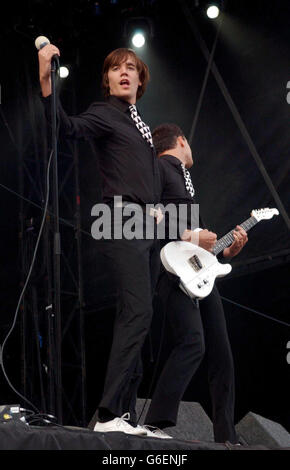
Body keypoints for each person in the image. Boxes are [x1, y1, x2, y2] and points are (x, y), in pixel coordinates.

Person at [38, 45, 162, 436]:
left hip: (143, 223)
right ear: (107, 81)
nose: (124, 73)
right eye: (115, 69)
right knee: (138, 311)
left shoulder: (141, 129)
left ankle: (121, 414)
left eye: (131, 68)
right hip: (122, 219)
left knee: (138, 315)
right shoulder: (106, 113)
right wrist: (46, 81)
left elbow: (144, 176)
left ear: (141, 81)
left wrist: (158, 210)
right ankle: (108, 414)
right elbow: (67, 128)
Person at [142, 123, 248, 444]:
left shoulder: (186, 181)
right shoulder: (160, 167)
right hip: (172, 272)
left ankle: (226, 437)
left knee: (222, 355)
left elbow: (201, 243)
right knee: (193, 343)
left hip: (198, 273)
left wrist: (225, 250)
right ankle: (154, 423)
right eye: (189, 145)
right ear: (182, 141)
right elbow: (146, 215)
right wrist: (190, 235)